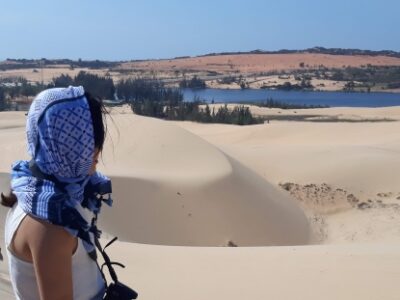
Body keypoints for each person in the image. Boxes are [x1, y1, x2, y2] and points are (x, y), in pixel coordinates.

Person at [1, 86, 111, 300]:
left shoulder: (32, 190)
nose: (97, 150)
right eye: (88, 140)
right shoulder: (51, 226)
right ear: (64, 144)